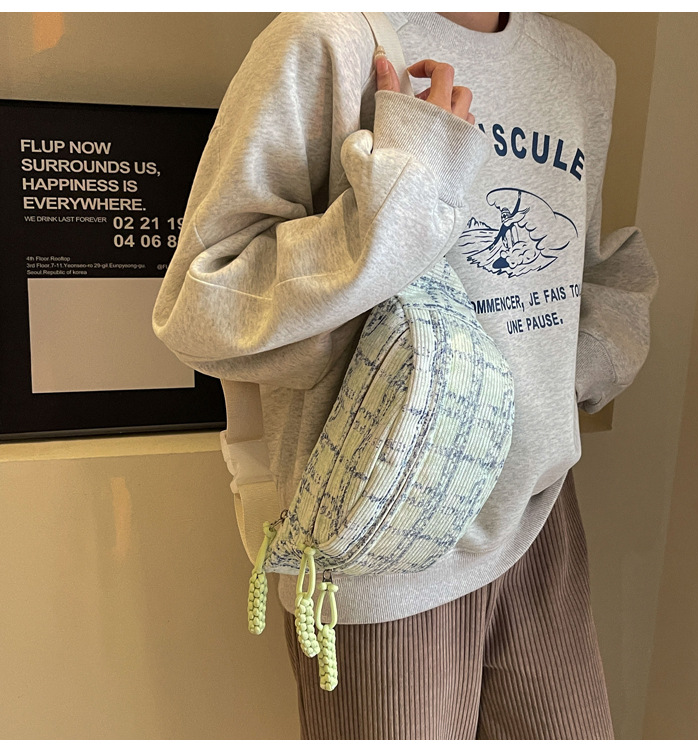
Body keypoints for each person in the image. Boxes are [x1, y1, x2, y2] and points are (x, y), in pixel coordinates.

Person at [152, 11, 658, 740]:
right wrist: (410, 188)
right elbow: (202, 306)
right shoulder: (330, 38)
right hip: (384, 530)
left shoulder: (581, 67)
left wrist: (566, 375)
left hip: (541, 512)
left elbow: (581, 271)